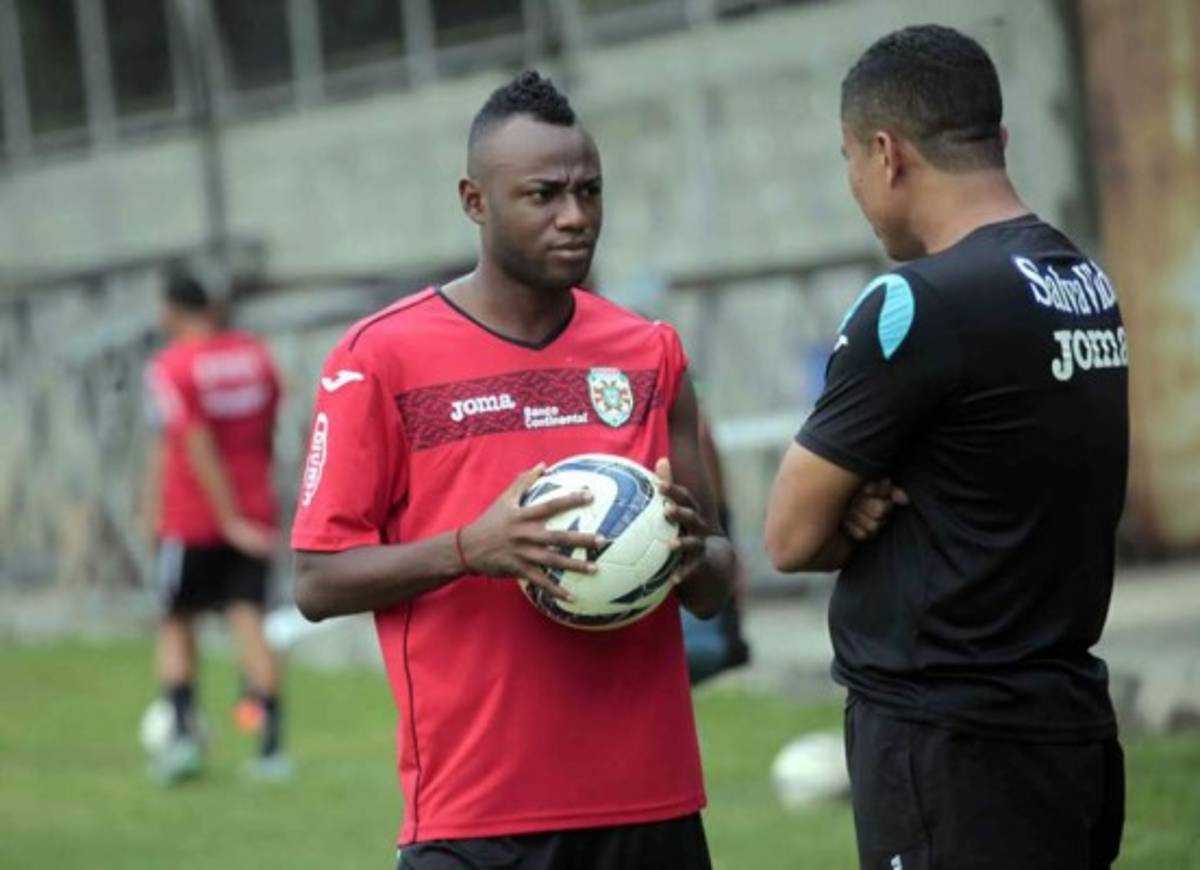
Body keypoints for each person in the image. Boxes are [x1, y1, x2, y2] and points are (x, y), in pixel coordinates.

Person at [290, 71, 735, 869]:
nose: (575, 217)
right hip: (477, 820)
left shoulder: (650, 351)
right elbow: (317, 581)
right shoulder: (378, 359)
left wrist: (690, 551)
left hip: (652, 807)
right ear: (475, 202)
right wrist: (472, 548)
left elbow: (716, 576)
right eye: (544, 195)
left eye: (590, 192)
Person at [764, 24, 1128, 869]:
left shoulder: (916, 303)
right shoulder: (1080, 279)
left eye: (849, 158)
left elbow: (787, 536)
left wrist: (850, 513)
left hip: (950, 747)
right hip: (1064, 724)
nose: (854, 181)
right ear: (997, 140)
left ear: (886, 154)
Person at [143, 269, 289, 783]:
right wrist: (253, 500)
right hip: (256, 510)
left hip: (194, 517)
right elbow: (271, 421)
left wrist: (225, 519)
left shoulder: (173, 366)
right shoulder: (253, 354)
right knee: (248, 619)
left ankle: (182, 741)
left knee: (177, 622)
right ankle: (271, 748)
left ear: (171, 310)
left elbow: (195, 443)